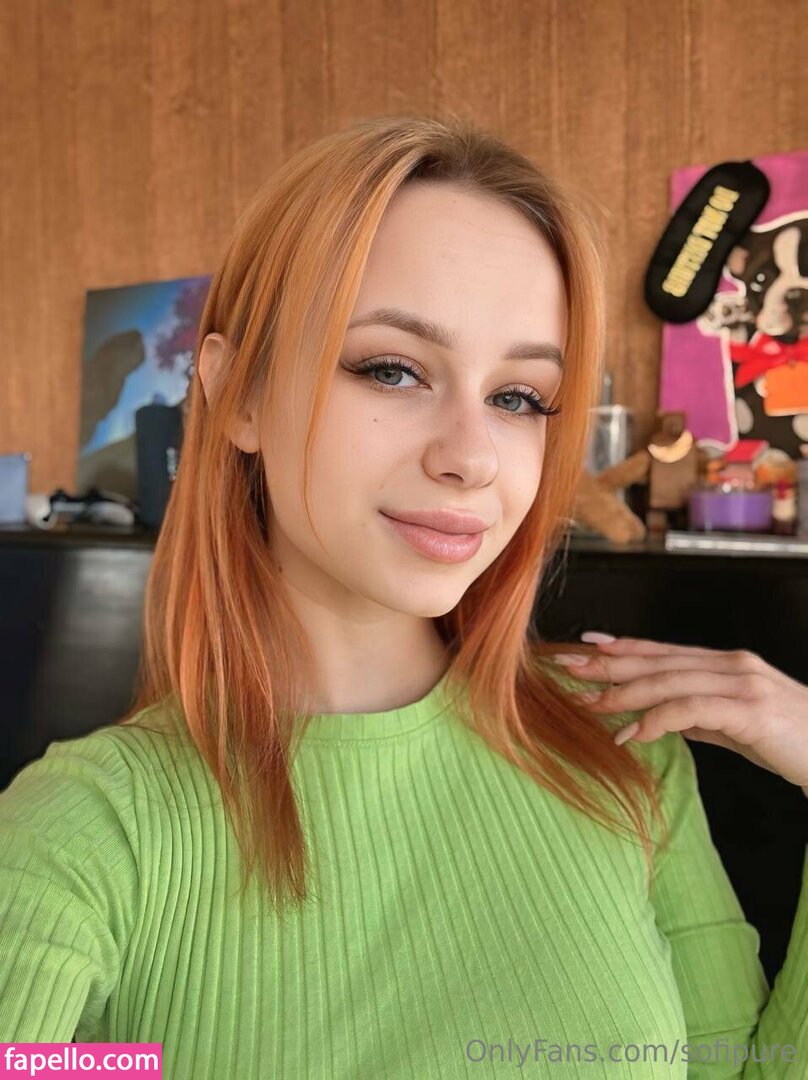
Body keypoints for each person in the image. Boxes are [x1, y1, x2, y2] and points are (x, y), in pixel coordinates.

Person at [0, 113, 806, 1079]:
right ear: (239, 392)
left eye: (518, 397)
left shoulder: (625, 751)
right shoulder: (85, 835)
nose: (472, 456)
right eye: (393, 369)